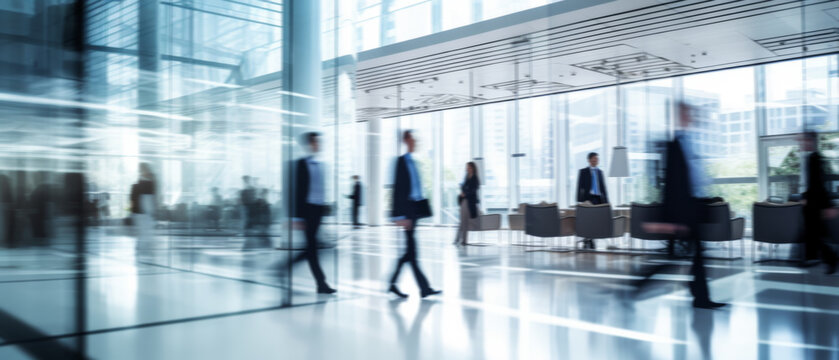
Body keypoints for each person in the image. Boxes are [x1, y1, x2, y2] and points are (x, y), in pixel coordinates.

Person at [637, 102, 725, 309]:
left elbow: (692, 178)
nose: (691, 116)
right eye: (687, 113)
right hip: (682, 213)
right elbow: (671, 186)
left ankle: (700, 297)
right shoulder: (674, 144)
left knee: (695, 256)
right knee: (674, 258)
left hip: (692, 208)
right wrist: (671, 220)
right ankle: (637, 286)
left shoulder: (688, 142)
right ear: (678, 116)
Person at [388, 130, 441, 299]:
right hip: (407, 213)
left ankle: (393, 284)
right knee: (412, 252)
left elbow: (416, 188)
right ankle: (423, 288)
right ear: (405, 140)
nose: (415, 141)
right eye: (412, 139)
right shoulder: (401, 162)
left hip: (414, 211)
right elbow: (397, 190)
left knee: (410, 253)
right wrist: (398, 216)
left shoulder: (413, 162)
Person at [289, 132, 335, 294]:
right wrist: (297, 216)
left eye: (319, 142)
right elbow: (297, 192)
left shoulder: (321, 165)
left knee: (311, 248)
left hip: (318, 211)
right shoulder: (301, 164)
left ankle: (286, 267)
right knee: (312, 248)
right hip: (307, 210)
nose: (318, 145)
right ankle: (321, 283)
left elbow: (321, 190)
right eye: (316, 142)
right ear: (309, 145)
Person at [800, 131, 838, 274]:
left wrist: (828, 205)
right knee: (816, 234)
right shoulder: (813, 158)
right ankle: (816, 258)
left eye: (804, 141)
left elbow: (819, 184)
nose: (802, 144)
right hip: (814, 203)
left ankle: (830, 259)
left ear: (810, 141)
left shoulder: (814, 159)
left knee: (816, 234)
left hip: (814, 205)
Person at [576, 152, 609, 249]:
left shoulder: (600, 172)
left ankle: (591, 239)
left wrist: (606, 202)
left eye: (597, 159)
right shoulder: (583, 171)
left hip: (598, 199)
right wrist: (579, 200)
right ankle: (588, 240)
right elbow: (579, 187)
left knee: (596, 221)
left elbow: (603, 189)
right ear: (589, 160)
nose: (596, 160)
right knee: (588, 221)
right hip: (588, 199)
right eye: (594, 159)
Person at [130, 163, 157, 249]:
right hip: (142, 207)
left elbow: (151, 196)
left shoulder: (146, 182)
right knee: (143, 229)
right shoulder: (143, 182)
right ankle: (143, 247)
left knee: (144, 229)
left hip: (144, 206)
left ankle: (143, 247)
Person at [453, 162, 480, 246]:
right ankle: (459, 240)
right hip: (464, 200)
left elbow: (473, 190)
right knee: (462, 221)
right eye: (467, 167)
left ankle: (462, 240)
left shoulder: (475, 178)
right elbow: (465, 187)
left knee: (465, 222)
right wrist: (463, 190)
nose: (468, 169)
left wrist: (466, 193)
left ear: (473, 168)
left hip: (470, 201)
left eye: (469, 167)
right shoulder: (466, 177)